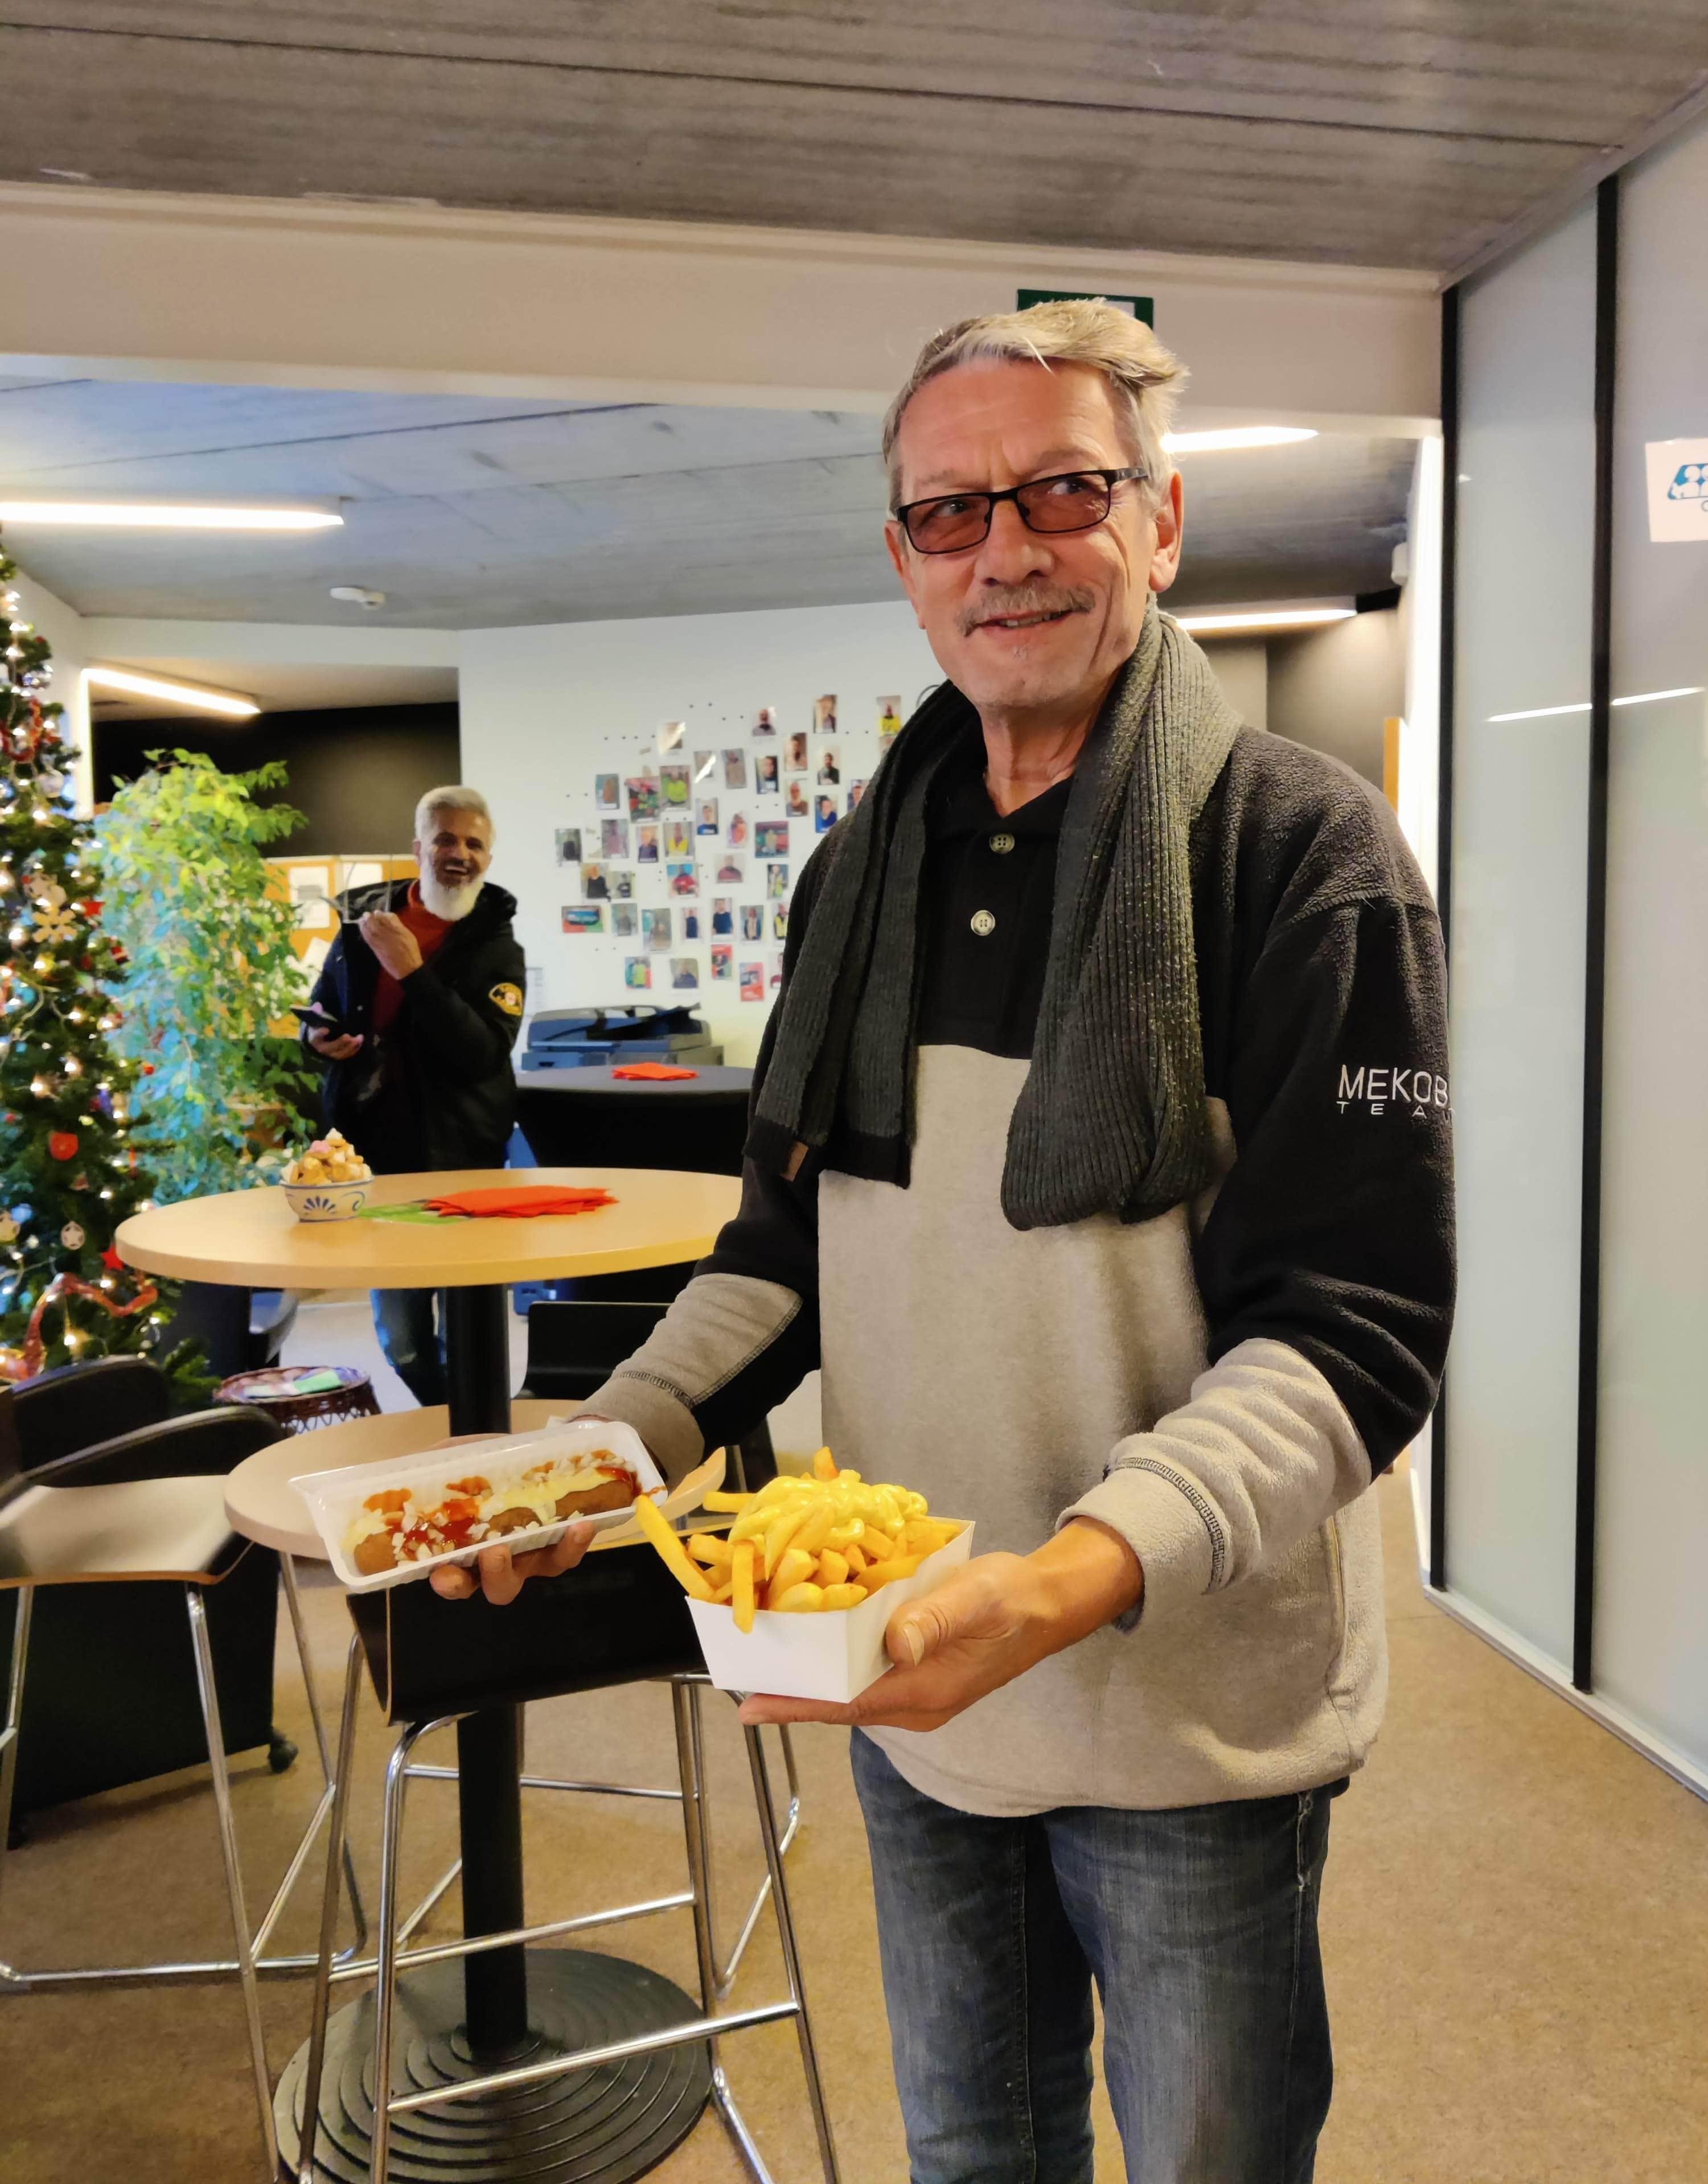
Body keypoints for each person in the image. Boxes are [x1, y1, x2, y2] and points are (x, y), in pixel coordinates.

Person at [434, 302, 1455, 2183]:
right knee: (973, 2157)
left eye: (1065, 490)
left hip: (1187, 1721)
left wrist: (1059, 1584)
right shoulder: (857, 876)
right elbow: (784, 1253)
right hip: (909, 1683)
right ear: (904, 558)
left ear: (1159, 523)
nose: (1007, 550)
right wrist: (611, 1447)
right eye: (951, 511)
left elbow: (1354, 1332)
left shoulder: (1298, 856)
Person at [303, 787, 525, 1406]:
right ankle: (445, 1417)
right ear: (419, 847)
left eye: (474, 844)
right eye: (446, 839)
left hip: (464, 1156)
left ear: (488, 858)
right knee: (401, 1337)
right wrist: (315, 1037)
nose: (460, 854)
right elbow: (322, 1008)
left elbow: (483, 1053)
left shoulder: (497, 948)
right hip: (376, 1155)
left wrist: (413, 972)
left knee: (468, 1331)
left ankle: (474, 1428)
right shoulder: (362, 928)